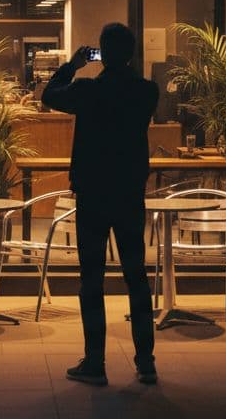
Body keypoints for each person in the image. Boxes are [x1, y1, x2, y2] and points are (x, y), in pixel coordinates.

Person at [42, 23, 159, 386]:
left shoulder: (87, 90)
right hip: (128, 194)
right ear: (132, 53)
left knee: (91, 278)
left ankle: (95, 362)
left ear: (101, 55)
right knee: (136, 276)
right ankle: (146, 362)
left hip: (93, 194)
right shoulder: (147, 92)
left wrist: (73, 65)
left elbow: (49, 95)